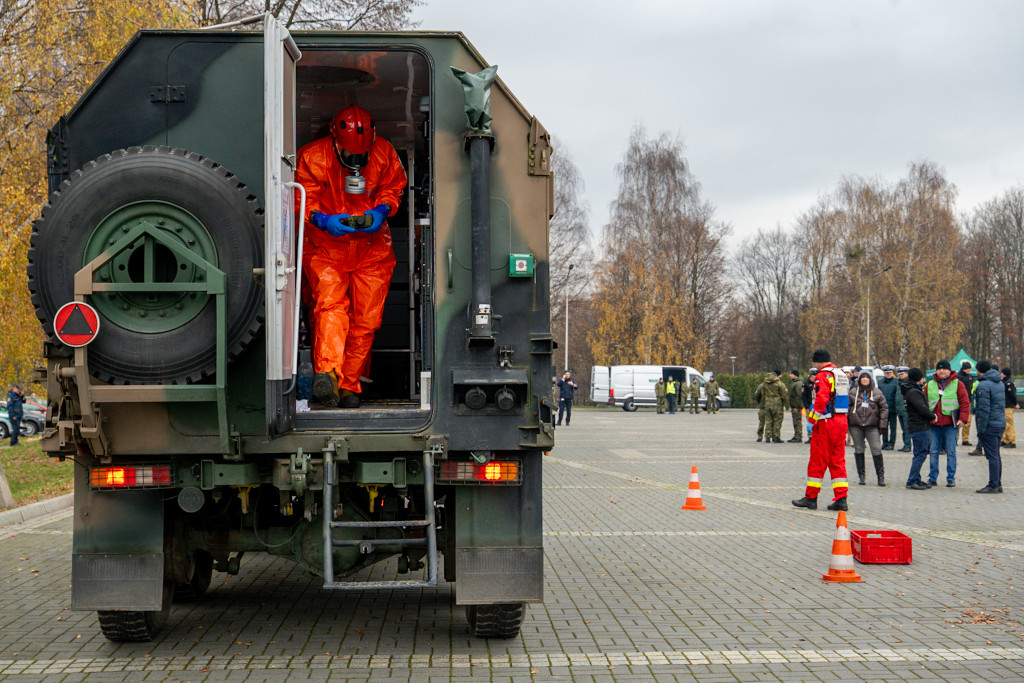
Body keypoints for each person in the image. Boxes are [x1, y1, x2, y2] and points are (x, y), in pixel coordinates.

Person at [296, 104, 407, 408]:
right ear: (335, 142)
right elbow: (301, 198)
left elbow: (393, 188)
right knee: (330, 307)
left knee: (365, 321)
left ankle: (349, 385)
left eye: (361, 157)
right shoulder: (313, 157)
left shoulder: (384, 153)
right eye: (350, 156)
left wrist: (382, 210)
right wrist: (321, 220)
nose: (356, 162)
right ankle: (329, 374)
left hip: (372, 250)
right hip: (326, 246)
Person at [793, 349, 850, 511]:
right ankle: (841, 498)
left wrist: (812, 419)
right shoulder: (840, 374)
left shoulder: (823, 375)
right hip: (841, 421)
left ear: (818, 361)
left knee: (817, 460)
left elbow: (821, 399)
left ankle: (811, 498)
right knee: (837, 461)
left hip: (826, 423)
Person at [924, 359, 971, 487]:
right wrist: (927, 417)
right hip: (934, 425)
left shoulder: (958, 383)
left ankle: (951, 478)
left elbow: (965, 403)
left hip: (951, 424)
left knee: (951, 452)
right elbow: (924, 403)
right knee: (933, 451)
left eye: (944, 368)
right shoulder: (930, 384)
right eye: (939, 369)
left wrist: (963, 419)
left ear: (949, 370)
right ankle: (932, 477)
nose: (941, 371)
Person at [848, 370, 889, 486]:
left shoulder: (877, 392)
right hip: (856, 426)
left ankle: (880, 476)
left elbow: (884, 409)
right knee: (859, 449)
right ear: (859, 379)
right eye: (863, 377)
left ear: (870, 379)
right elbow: (847, 408)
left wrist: (882, 425)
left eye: (867, 377)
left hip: (872, 426)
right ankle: (861, 476)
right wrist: (846, 423)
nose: (865, 379)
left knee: (876, 449)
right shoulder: (853, 392)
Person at [972, 360, 1005, 493]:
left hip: (990, 425)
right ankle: (998, 483)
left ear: (979, 370)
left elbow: (984, 409)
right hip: (1000, 423)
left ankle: (993, 485)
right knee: (996, 455)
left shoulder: (983, 385)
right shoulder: (999, 383)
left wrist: (981, 429)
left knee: (992, 456)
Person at [903, 368, 937, 490]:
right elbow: (922, 408)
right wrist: (932, 416)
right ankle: (912, 480)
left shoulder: (911, 390)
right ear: (919, 378)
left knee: (920, 452)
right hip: (919, 426)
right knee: (920, 454)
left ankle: (916, 478)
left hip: (917, 425)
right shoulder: (914, 392)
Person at [877, 365, 902, 450]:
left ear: (892, 373)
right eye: (886, 373)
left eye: (890, 373)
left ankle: (891, 443)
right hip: (883, 409)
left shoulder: (896, 382)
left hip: (893, 408)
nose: (888, 374)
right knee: (883, 427)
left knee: (893, 428)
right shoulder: (880, 383)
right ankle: (885, 442)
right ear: (884, 373)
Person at [763, 372, 788, 443]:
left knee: (768, 420)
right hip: (777, 404)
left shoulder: (765, 383)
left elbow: (763, 394)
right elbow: (784, 395)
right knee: (777, 420)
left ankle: (767, 437)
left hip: (767, 403)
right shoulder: (779, 383)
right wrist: (786, 405)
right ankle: (776, 437)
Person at [957, 361, 977, 448]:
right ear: (964, 368)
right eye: (968, 368)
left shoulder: (970, 376)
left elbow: (972, 388)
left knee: (968, 422)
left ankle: (965, 439)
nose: (969, 370)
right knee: (958, 422)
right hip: (959, 401)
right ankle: (955, 439)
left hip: (969, 400)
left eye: (970, 368)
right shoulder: (958, 377)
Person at [895, 367, 912, 451]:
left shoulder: (908, 382)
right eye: (899, 374)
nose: (900, 376)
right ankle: (905, 444)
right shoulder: (898, 382)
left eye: (902, 374)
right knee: (903, 429)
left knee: (906, 429)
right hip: (899, 409)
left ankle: (908, 445)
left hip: (906, 410)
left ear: (906, 373)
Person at [1001, 367, 1018, 449]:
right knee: (1005, 424)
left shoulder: (1009, 383)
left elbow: (1012, 395)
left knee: (1009, 424)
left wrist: (1016, 403)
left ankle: (1012, 441)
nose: (1000, 374)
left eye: (1002, 373)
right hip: (1005, 405)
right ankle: (1006, 440)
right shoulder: (1005, 382)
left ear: (1005, 374)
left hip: (1008, 406)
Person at [788, 370, 804, 443]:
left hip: (796, 406)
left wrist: (796, 406)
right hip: (794, 405)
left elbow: (799, 396)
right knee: (795, 421)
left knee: (797, 421)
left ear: (795, 375)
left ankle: (798, 436)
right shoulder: (796, 382)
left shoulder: (798, 383)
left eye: (791, 374)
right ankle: (796, 435)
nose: (790, 375)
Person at [754, 378, 767, 442]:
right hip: (770, 406)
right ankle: (769, 436)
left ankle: (760, 436)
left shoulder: (761, 386)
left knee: (761, 422)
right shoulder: (775, 385)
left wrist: (759, 402)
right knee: (770, 423)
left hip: (763, 406)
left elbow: (757, 396)